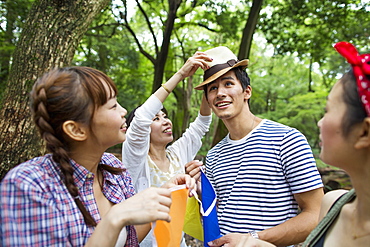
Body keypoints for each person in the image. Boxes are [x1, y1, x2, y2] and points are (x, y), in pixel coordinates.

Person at [0, 66, 196, 246]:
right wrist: (113, 218)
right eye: (112, 106)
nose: (124, 111)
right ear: (76, 129)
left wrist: (163, 194)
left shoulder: (113, 169)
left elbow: (129, 239)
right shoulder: (28, 186)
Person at [233, 42, 370, 247]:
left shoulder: (287, 138)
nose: (319, 122)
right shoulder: (333, 204)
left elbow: (308, 214)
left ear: (364, 132)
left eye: (328, 110)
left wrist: (256, 238)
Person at [189, 46, 324, 247]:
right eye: (213, 89)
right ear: (208, 99)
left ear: (247, 92)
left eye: (228, 83)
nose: (220, 93)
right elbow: (222, 211)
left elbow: (316, 215)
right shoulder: (215, 154)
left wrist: (253, 239)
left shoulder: (287, 139)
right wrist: (199, 189)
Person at [121, 51, 213, 246]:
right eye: (156, 118)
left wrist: (209, 81)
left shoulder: (178, 153)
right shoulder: (135, 160)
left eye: (165, 116)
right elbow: (141, 118)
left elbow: (202, 124)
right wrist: (180, 74)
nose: (166, 122)